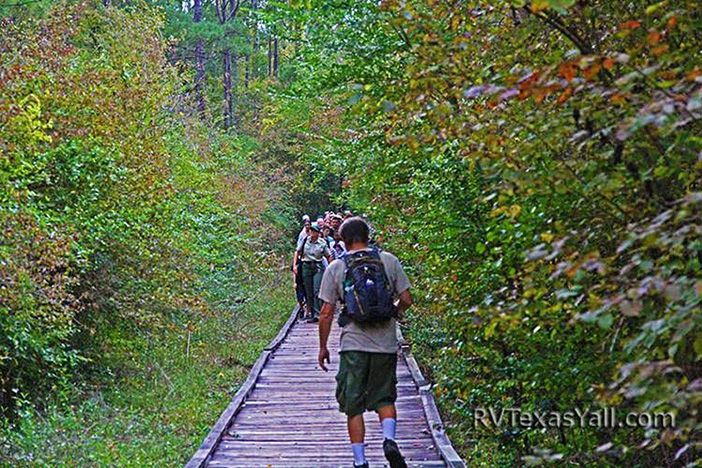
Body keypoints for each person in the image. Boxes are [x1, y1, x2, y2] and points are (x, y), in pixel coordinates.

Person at [317, 217, 413, 468]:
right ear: (368, 236)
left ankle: (360, 461)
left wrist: (323, 346)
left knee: (353, 405)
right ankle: (389, 440)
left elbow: (326, 312)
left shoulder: (337, 267)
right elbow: (407, 298)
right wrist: (395, 311)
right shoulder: (388, 260)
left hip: (353, 346)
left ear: (343, 240)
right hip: (385, 345)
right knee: (385, 398)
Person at [293, 223, 332, 322]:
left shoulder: (322, 243)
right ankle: (311, 313)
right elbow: (297, 252)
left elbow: (328, 256)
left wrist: (331, 268)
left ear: (318, 233)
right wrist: (295, 265)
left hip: (317, 266)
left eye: (314, 231)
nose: (312, 233)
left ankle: (318, 313)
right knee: (308, 290)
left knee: (316, 290)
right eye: (311, 231)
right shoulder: (305, 240)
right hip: (306, 266)